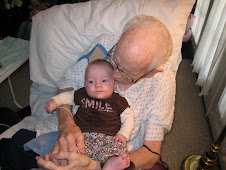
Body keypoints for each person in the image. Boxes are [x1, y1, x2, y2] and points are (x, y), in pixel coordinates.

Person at [36, 14, 175, 170]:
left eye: (126, 73)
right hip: (71, 132)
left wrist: (97, 166)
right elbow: (68, 84)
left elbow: (151, 151)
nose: (113, 74)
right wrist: (66, 125)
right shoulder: (104, 46)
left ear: (151, 72)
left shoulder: (162, 81)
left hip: (115, 154)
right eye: (114, 59)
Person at [29, 59, 134, 169]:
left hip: (108, 139)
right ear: (85, 85)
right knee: (66, 152)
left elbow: (128, 117)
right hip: (82, 137)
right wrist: (55, 101)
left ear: (114, 85)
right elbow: (68, 96)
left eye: (104, 81)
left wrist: (123, 134)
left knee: (118, 149)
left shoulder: (118, 101)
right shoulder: (83, 94)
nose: (98, 85)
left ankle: (110, 164)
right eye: (91, 82)